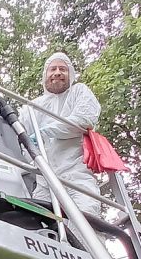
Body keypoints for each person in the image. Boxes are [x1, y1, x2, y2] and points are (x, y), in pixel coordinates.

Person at [20, 52, 104, 217]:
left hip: (76, 175)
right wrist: (32, 159)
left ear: (70, 74)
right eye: (52, 69)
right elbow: (22, 138)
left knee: (87, 220)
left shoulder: (79, 92)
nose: (57, 72)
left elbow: (82, 120)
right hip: (45, 180)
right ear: (46, 75)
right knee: (41, 224)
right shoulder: (33, 106)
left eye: (62, 69)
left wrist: (45, 132)